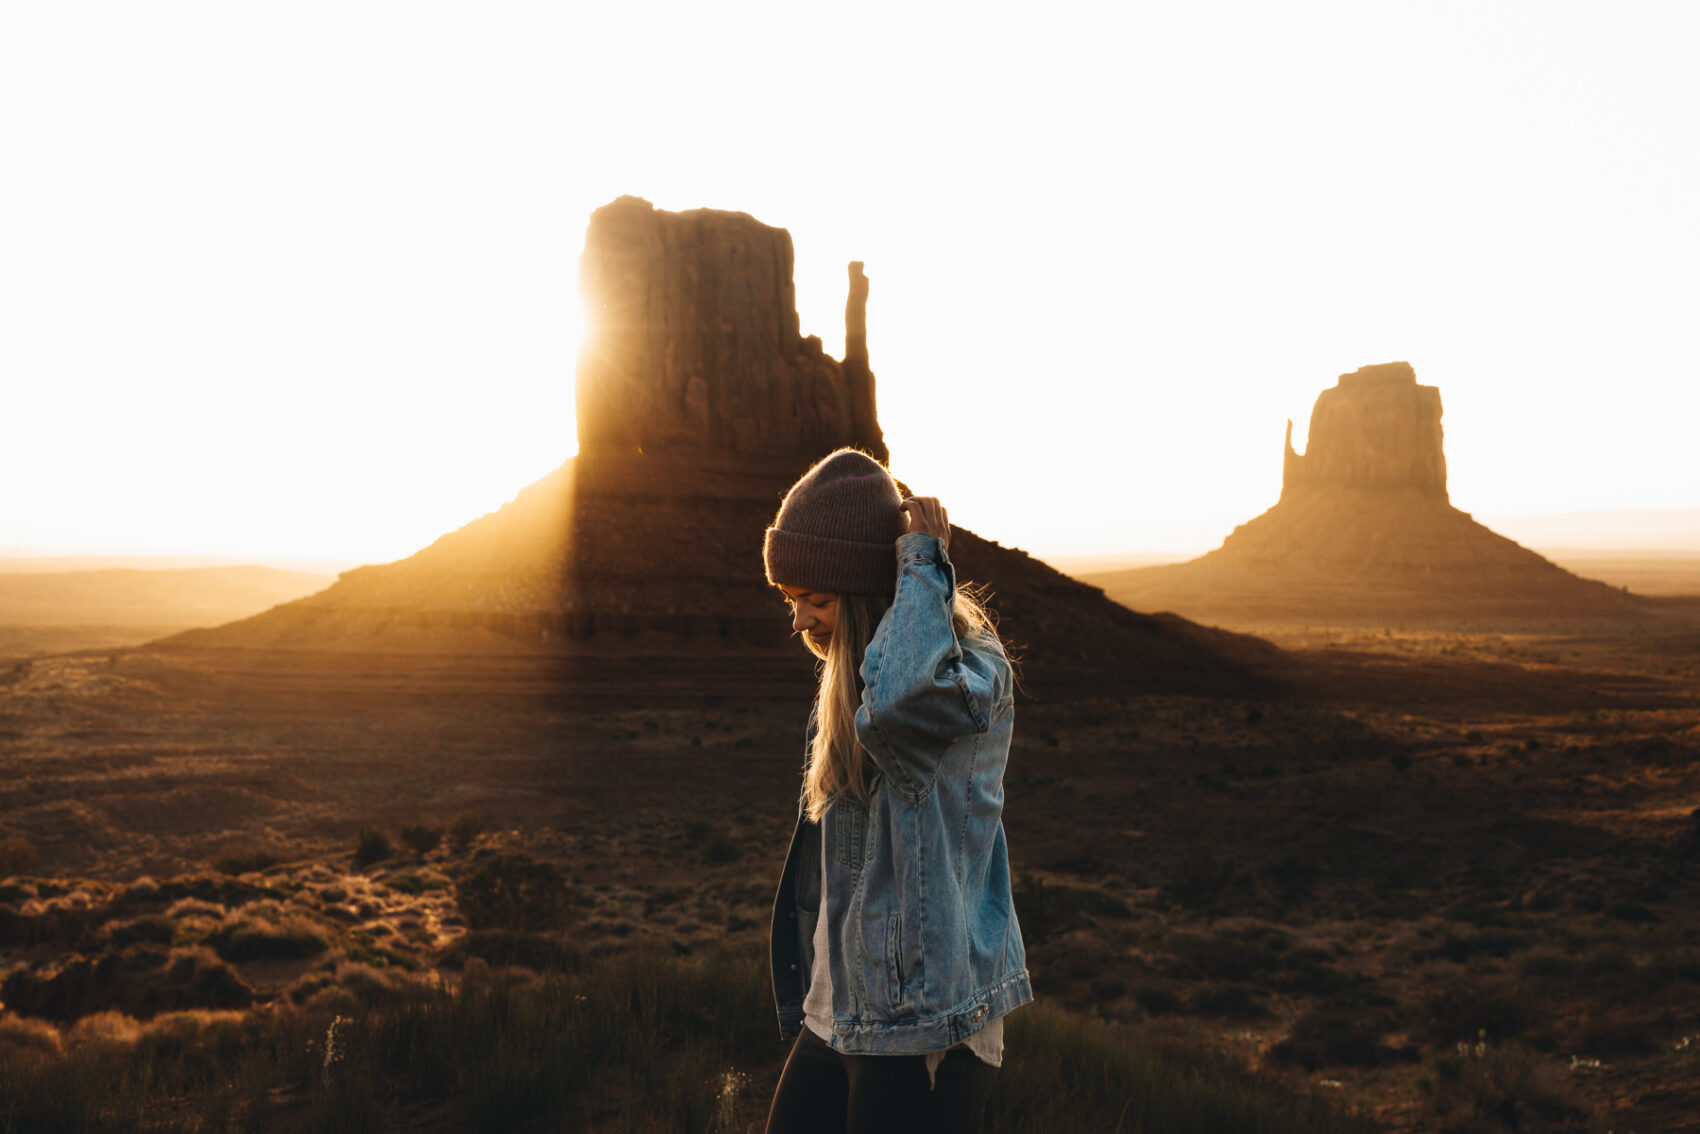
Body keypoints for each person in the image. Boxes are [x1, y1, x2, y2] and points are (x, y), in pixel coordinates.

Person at [762, 448, 1031, 1134]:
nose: (800, 622)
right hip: (837, 1012)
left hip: (924, 1026)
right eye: (791, 601)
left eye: (817, 601)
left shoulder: (970, 673)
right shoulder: (847, 680)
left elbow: (906, 702)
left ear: (870, 592)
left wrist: (920, 560)